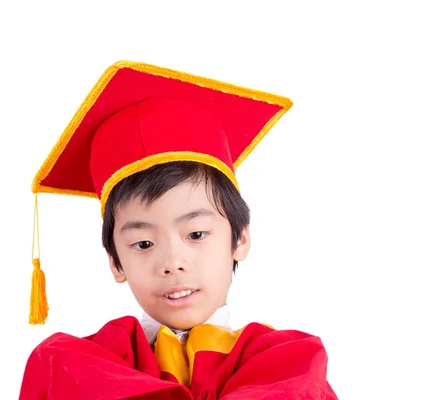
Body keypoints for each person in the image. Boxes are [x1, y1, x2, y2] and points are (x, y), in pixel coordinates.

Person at [19, 60, 338, 399]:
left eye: (196, 234)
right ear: (115, 262)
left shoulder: (288, 366)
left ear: (240, 238)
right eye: (143, 243)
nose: (172, 261)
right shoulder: (72, 367)